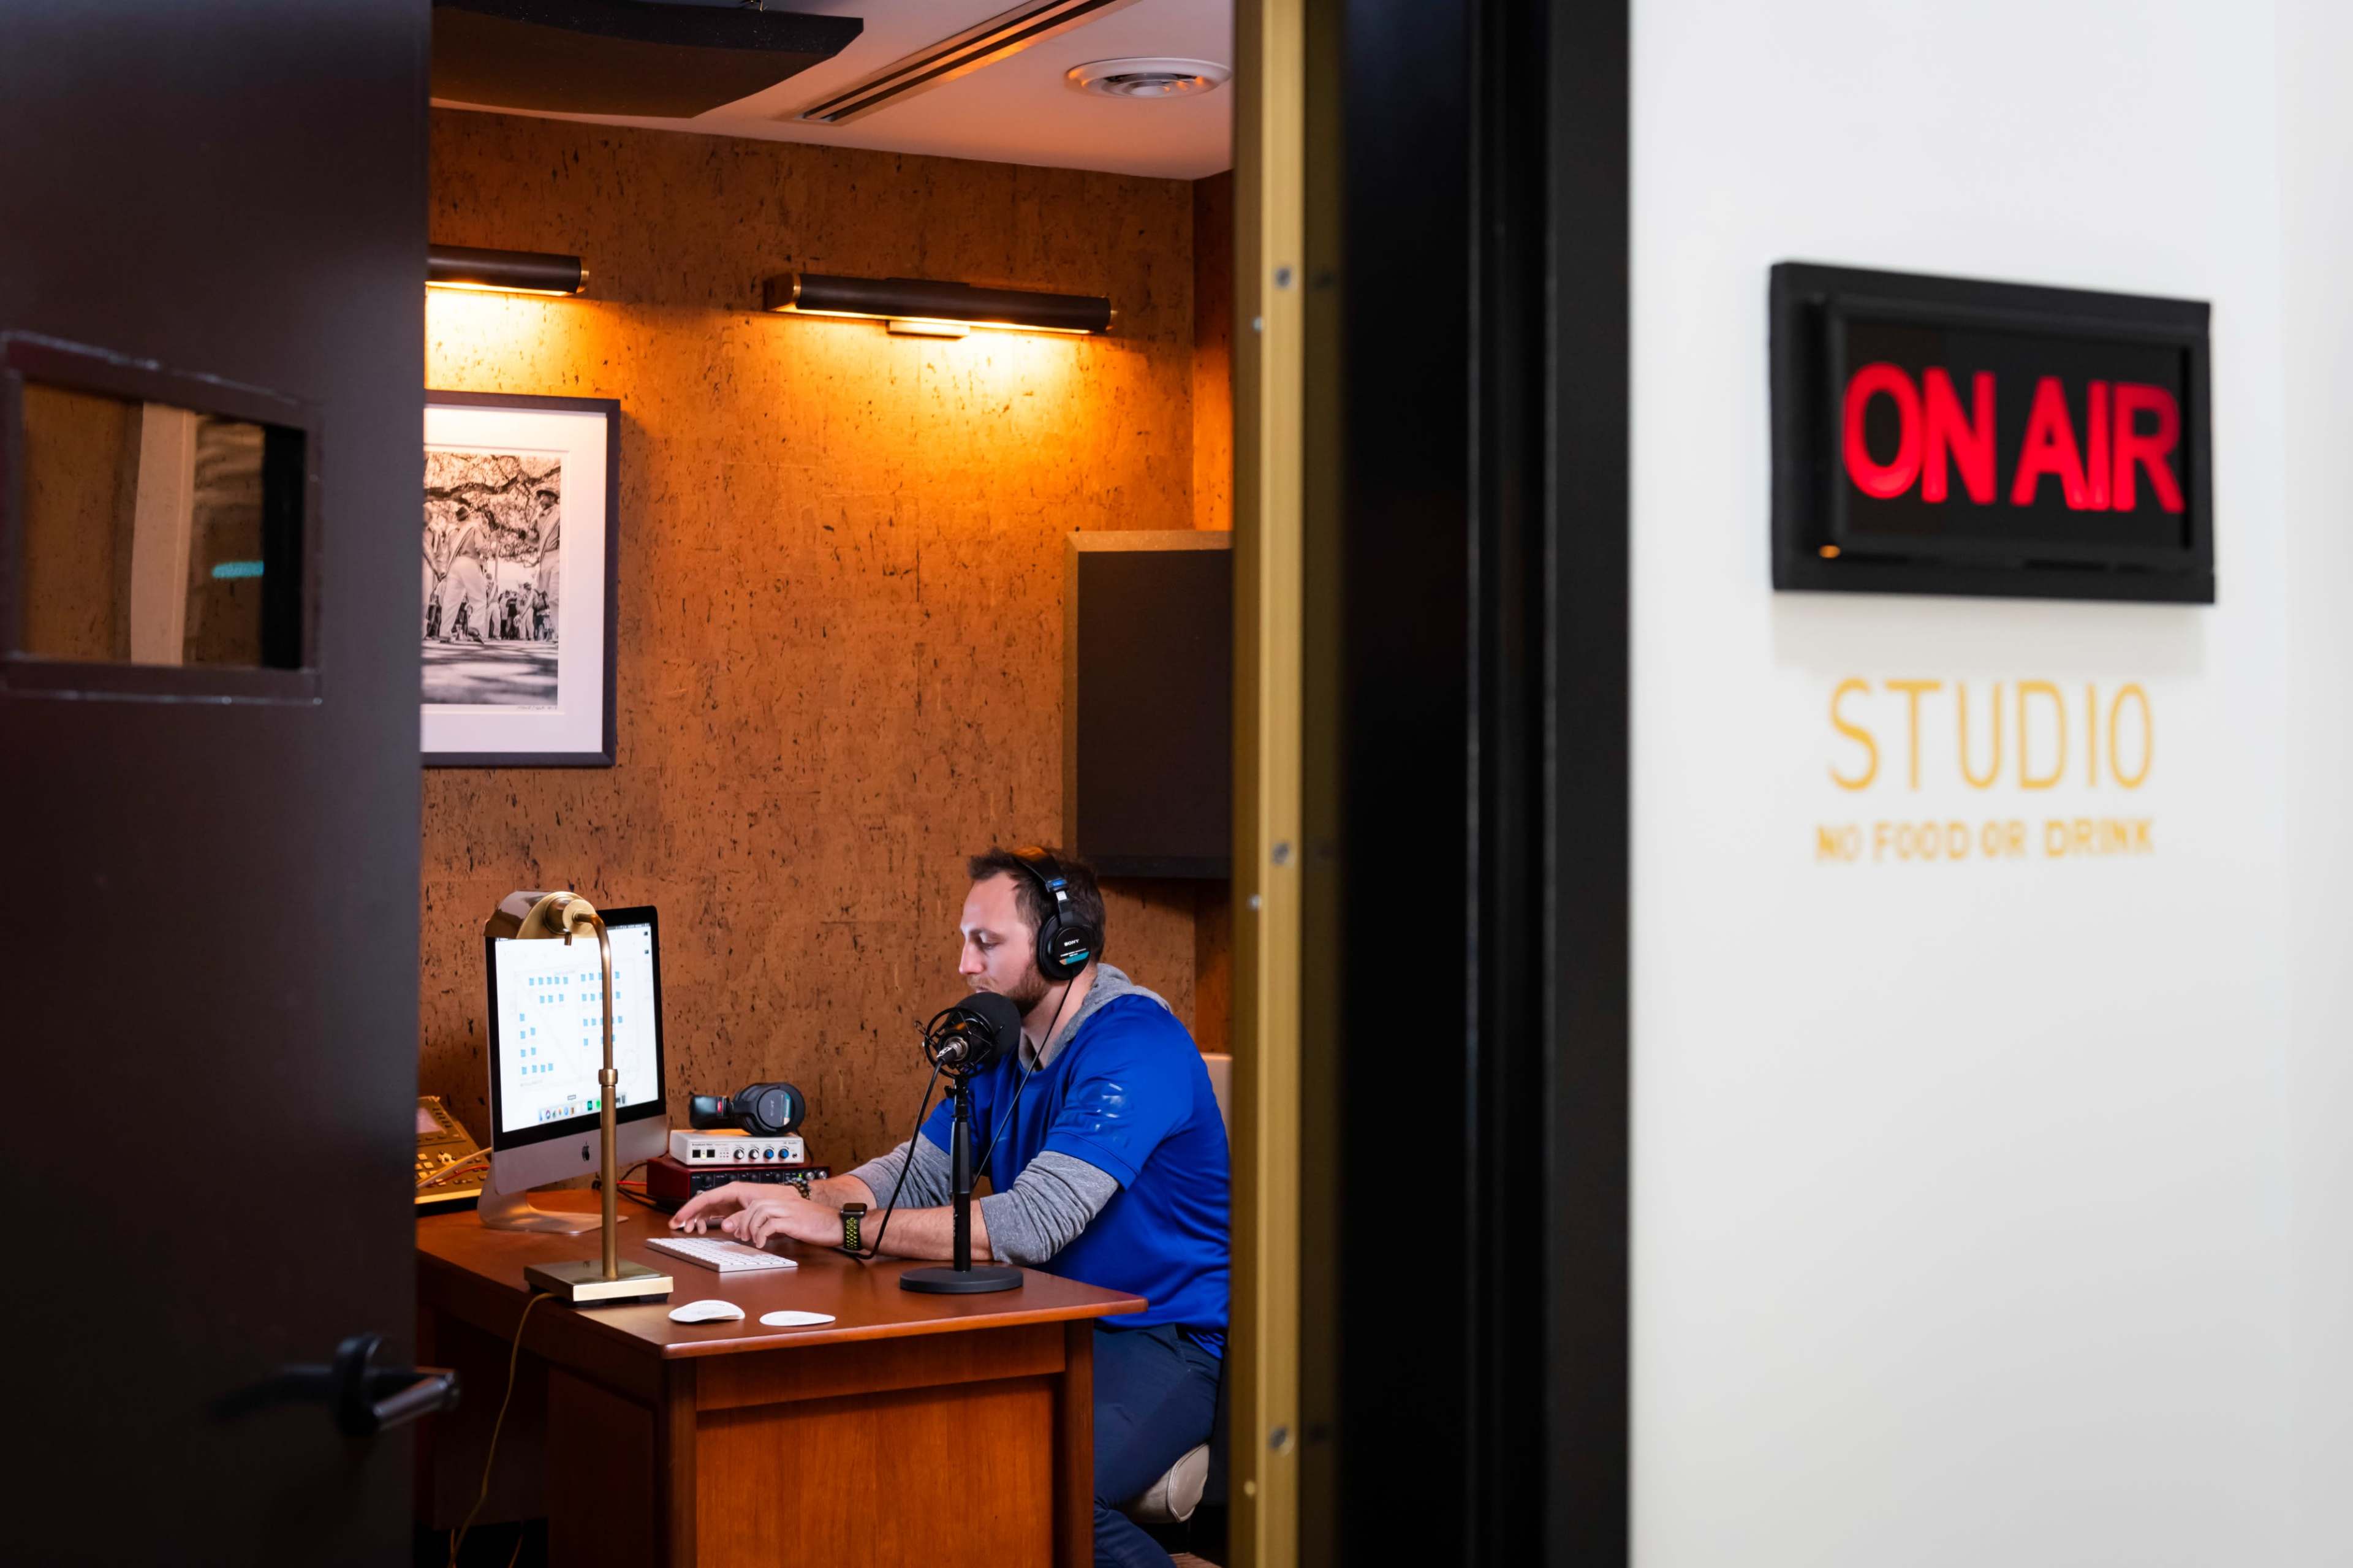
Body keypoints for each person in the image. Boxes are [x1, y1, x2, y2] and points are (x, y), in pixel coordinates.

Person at [670, 847, 1230, 1568]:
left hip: (1160, 1336)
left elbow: (1031, 1223)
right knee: (923, 1455)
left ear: (1065, 946)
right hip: (1051, 1319)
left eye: (986, 942)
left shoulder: (1136, 1047)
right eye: (966, 940)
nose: (965, 965)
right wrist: (794, 1196)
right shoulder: (1008, 1045)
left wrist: (843, 1229)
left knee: (1037, 1485)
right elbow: (919, 1172)